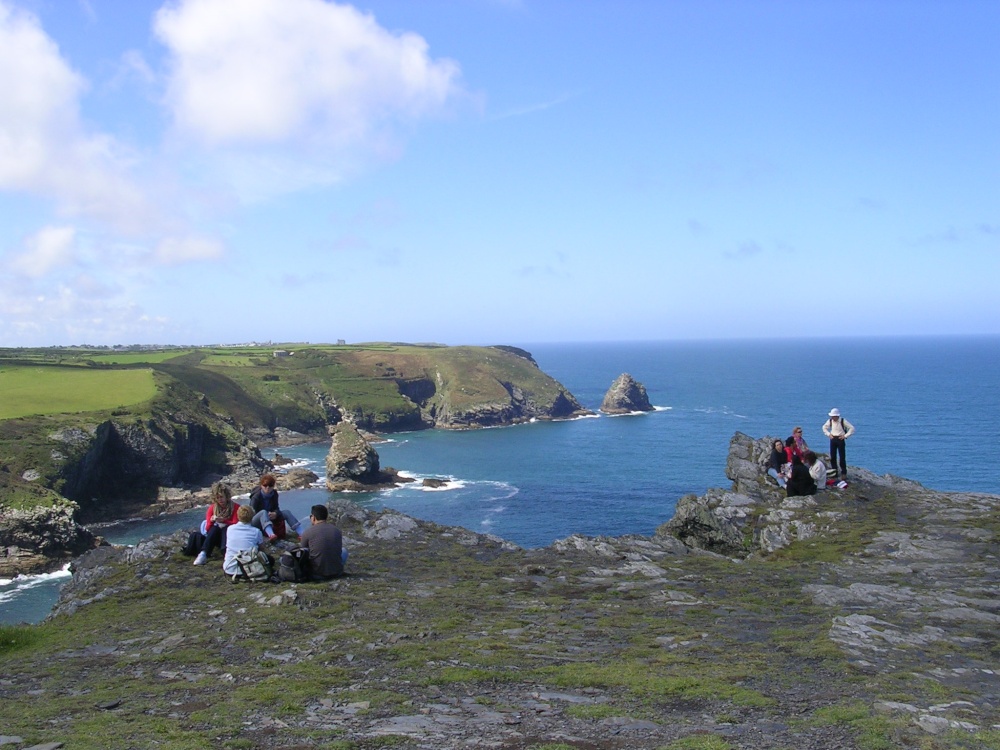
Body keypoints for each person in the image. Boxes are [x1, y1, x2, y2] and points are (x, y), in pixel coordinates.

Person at [193, 483, 240, 566]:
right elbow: (207, 529)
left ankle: (225, 553)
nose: (220, 500)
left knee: (226, 528)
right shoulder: (212, 508)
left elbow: (236, 524)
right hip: (217, 537)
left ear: (226, 496)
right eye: (217, 498)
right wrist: (211, 521)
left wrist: (224, 521)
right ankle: (203, 553)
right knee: (215, 528)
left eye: (221, 497)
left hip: (230, 537)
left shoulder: (235, 507)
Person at [299, 504, 349, 580]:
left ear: (314, 517)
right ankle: (335, 568)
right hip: (337, 572)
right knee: (344, 551)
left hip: (316, 574)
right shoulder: (336, 530)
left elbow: (302, 550)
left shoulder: (308, 532)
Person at [249, 473, 303, 541]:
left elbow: (276, 507)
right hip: (257, 520)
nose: (267, 488)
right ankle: (271, 534)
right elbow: (251, 513)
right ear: (261, 486)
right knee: (263, 512)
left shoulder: (274, 494)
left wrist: (275, 513)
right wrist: (265, 515)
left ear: (273, 486)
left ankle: (301, 533)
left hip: (270, 517)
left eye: (270, 485)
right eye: (265, 485)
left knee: (286, 512)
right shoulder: (256, 497)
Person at [223, 504, 265, 576]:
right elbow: (261, 549)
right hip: (249, 569)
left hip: (229, 568)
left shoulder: (230, 529)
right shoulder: (256, 531)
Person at [822, 408, 855, 480]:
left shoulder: (843, 421)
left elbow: (852, 428)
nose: (832, 417)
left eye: (834, 416)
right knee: (833, 457)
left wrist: (845, 436)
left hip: (840, 439)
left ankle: (843, 473)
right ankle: (834, 472)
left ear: (837, 416)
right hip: (833, 439)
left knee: (842, 457)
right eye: (832, 416)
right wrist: (828, 434)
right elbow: (824, 427)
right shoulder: (830, 421)